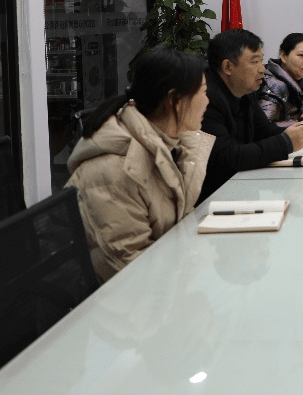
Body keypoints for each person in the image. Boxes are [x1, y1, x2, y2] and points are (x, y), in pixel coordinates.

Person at [67, 47, 213, 282]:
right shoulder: (118, 169)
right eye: (203, 91)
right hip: (116, 295)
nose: (208, 100)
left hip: (159, 278)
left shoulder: (169, 145)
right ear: (174, 100)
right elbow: (131, 268)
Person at [197, 29, 303, 204]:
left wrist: (296, 131)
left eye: (261, 61)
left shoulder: (245, 90)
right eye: (255, 62)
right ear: (228, 67)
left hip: (241, 188)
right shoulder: (204, 97)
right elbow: (225, 157)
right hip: (212, 199)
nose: (262, 69)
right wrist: (286, 143)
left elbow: (264, 130)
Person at [259, 32, 303, 129]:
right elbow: (265, 128)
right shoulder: (273, 85)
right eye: (301, 55)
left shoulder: (296, 80)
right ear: (283, 56)